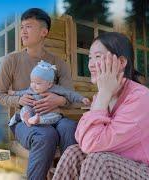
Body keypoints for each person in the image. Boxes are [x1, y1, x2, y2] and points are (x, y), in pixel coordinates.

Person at [0, 8, 78, 179]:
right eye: (22, 27)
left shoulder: (59, 64)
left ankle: (71, 176)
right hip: (25, 122)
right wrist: (19, 99)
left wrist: (58, 100)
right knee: (46, 135)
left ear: (43, 32)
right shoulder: (11, 61)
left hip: (55, 118)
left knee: (70, 127)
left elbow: (71, 98)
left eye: (29, 26)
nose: (23, 31)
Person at [53, 32, 149, 179]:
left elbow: (92, 143)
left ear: (121, 62)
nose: (90, 64)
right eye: (89, 57)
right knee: (73, 152)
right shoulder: (102, 97)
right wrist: (103, 95)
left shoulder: (141, 98)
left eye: (97, 57)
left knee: (98, 160)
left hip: (143, 169)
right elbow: (82, 139)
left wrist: (104, 92)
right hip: (115, 160)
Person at [8, 60, 90, 127]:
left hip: (48, 113)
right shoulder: (31, 89)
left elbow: (70, 94)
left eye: (38, 83)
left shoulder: (55, 89)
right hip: (33, 111)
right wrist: (13, 93)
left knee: (56, 116)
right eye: (32, 82)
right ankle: (25, 119)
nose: (34, 85)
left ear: (49, 84)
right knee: (25, 109)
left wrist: (82, 98)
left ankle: (38, 120)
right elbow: (22, 92)